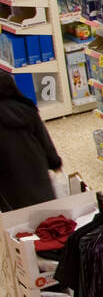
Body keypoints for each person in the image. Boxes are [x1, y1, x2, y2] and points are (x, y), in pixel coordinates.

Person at [0, 70, 63, 212]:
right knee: (47, 211)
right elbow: (44, 139)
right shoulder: (26, 108)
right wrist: (54, 162)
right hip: (35, 167)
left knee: (17, 217)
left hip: (7, 175)